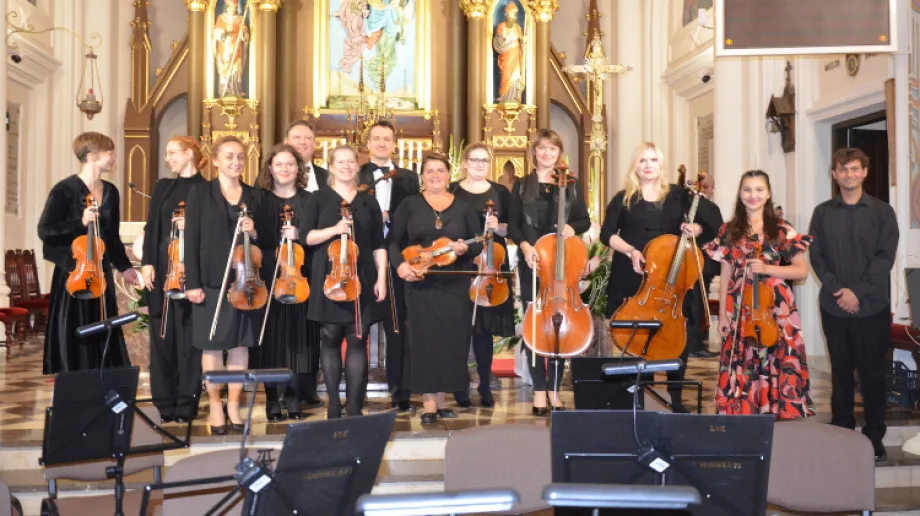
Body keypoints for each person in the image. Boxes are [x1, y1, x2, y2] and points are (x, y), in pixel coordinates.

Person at [601, 142, 723, 413]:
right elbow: (607, 234)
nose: (648, 165)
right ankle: (640, 397)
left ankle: (676, 398)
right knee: (638, 336)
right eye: (643, 160)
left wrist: (696, 226)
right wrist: (631, 251)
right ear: (636, 165)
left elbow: (714, 221)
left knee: (675, 337)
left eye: (653, 160)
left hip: (672, 279)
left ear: (661, 165)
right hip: (634, 277)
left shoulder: (679, 196)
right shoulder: (623, 198)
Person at [809, 147, 898, 460]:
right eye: (843, 169)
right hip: (834, 307)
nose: (849, 174)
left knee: (873, 373)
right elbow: (816, 257)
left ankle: (874, 436)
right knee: (841, 372)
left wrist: (856, 292)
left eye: (854, 169)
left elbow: (884, 258)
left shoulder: (883, 213)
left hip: (872, 307)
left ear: (865, 172)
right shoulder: (822, 213)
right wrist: (839, 291)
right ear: (834, 174)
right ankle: (842, 431)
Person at [703, 170, 814, 420]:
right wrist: (721, 315)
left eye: (759, 190)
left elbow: (801, 271)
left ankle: (779, 414)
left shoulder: (782, 229)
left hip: (776, 308)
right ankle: (745, 413)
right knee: (742, 360)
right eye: (747, 190)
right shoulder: (729, 230)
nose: (753, 195)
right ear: (740, 194)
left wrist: (768, 268)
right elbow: (726, 271)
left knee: (779, 358)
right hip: (739, 306)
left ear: (769, 193)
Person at [391, 152, 483, 424]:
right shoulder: (409, 204)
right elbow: (394, 241)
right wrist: (400, 266)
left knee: (451, 342)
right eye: (429, 171)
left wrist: (466, 248)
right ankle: (429, 402)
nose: (435, 176)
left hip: (455, 284)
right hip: (421, 282)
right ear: (422, 176)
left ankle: (442, 401)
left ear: (448, 174)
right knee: (425, 342)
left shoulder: (464, 205)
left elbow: (478, 242)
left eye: (440, 170)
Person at [185, 135, 268, 435]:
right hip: (209, 281)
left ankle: (234, 405)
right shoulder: (200, 193)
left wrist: (254, 230)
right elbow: (190, 240)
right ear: (216, 160)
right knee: (211, 345)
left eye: (240, 157)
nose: (236, 162)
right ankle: (215, 404)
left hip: (244, 282)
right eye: (229, 157)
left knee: (240, 346)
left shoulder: (254, 196)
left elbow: (265, 240)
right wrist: (191, 283)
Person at [38, 131, 141, 374]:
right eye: (110, 153)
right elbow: (46, 230)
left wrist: (125, 267)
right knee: (74, 328)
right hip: (74, 271)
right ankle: (73, 382)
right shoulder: (64, 189)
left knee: (104, 324)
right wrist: (79, 222)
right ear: (93, 156)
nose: (114, 157)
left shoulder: (111, 192)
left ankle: (102, 379)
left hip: (101, 272)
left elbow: (112, 237)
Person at [507, 129, 591, 415]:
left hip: (561, 266)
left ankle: (555, 389)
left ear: (559, 154)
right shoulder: (520, 186)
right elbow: (514, 224)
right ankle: (539, 390)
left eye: (552, 149)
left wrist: (571, 228)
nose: (546, 154)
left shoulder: (571, 185)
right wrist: (526, 246)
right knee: (535, 326)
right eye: (541, 148)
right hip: (533, 261)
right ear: (534, 152)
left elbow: (584, 219)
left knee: (558, 326)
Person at [303, 145, 388, 419]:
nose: (346, 166)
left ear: (357, 166)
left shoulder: (368, 201)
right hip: (328, 277)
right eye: (341, 162)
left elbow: (379, 244)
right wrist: (334, 230)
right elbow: (306, 237)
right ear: (331, 166)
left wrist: (382, 278)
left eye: (351, 162)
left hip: (360, 278)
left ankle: (353, 406)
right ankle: (332, 405)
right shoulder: (318, 199)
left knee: (357, 338)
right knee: (329, 337)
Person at [140, 136, 208, 423]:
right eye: (167, 153)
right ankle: (165, 404)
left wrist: (191, 225)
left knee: (191, 345)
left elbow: (212, 234)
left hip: (193, 277)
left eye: (172, 153)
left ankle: (186, 405)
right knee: (163, 341)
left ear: (190, 153)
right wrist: (146, 263)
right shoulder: (163, 187)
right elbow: (152, 226)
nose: (168, 158)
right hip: (163, 273)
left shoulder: (208, 190)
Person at [253, 144, 320, 422]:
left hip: (299, 276)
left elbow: (316, 238)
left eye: (290, 164)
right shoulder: (260, 199)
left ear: (299, 169)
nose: (284, 169)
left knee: (298, 338)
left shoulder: (311, 200)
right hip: (269, 275)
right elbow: (256, 240)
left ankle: (293, 397)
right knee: (271, 339)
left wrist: (299, 234)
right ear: (270, 168)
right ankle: (271, 398)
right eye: (279, 164)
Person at [359, 120, 420, 412]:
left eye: (387, 139)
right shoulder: (356, 174)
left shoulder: (409, 178)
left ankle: (400, 390)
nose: (382, 144)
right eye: (377, 139)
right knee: (359, 327)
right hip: (363, 262)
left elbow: (415, 218)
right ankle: (356, 391)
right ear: (367, 143)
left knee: (397, 329)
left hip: (397, 261)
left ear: (394, 144)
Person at [449, 143, 514, 408]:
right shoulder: (452, 190)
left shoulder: (500, 192)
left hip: (490, 268)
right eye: (474, 160)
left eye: (484, 161)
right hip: (461, 265)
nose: (479, 165)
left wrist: (497, 227)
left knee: (483, 331)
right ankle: (459, 384)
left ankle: (485, 384)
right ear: (464, 163)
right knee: (460, 329)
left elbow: (512, 227)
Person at [492, 1, 525, 103]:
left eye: (514, 14)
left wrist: (524, 41)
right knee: (505, 74)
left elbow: (522, 42)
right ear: (506, 14)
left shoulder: (518, 27)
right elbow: (498, 42)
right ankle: (503, 96)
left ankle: (515, 97)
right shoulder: (501, 26)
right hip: (505, 55)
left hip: (515, 56)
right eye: (511, 14)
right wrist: (505, 39)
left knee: (515, 76)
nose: (513, 16)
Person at [284, 120, 328, 194]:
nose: (302, 142)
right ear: (286, 143)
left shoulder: (329, 177)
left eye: (308, 138)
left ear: (314, 145)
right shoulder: (271, 174)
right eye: (297, 137)